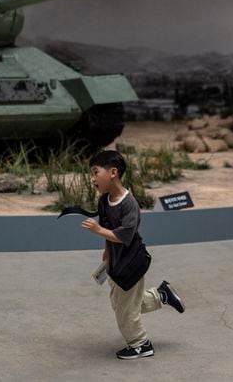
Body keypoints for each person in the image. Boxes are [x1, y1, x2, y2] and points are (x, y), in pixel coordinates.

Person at [82, 150, 185, 360]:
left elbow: (124, 235)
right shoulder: (104, 200)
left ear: (113, 173)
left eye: (95, 172)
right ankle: (161, 295)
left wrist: (98, 230)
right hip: (115, 262)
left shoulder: (129, 205)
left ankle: (140, 344)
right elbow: (110, 228)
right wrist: (106, 249)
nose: (92, 178)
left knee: (125, 311)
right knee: (122, 304)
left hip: (131, 262)